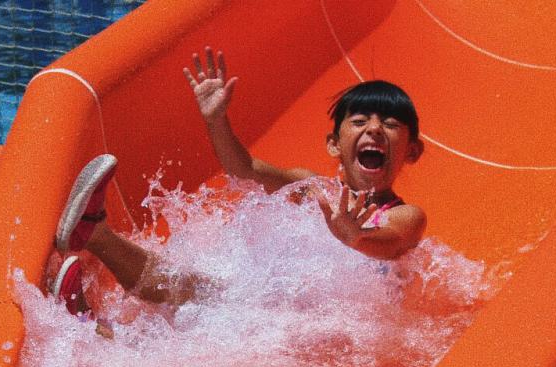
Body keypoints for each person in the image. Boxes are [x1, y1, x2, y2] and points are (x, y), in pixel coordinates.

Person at [50, 46, 426, 317]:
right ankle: (94, 239)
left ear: (411, 151)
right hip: (269, 311)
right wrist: (216, 120)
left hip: (329, 329)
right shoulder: (313, 189)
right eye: (360, 121)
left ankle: (85, 322)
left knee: (216, 314)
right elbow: (244, 169)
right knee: (202, 290)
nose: (375, 129)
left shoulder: (407, 215)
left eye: (391, 125)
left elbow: (389, 242)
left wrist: (356, 237)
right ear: (333, 145)